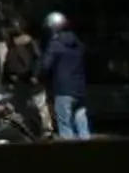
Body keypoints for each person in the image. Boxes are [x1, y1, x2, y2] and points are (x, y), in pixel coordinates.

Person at [38, 11, 91, 142]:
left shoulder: (55, 44)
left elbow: (45, 65)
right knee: (81, 120)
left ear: (52, 27)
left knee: (65, 124)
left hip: (63, 89)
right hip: (79, 88)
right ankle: (89, 150)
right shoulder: (78, 44)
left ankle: (69, 154)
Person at [0, 19, 49, 137]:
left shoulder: (17, 47)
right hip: (26, 81)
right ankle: (40, 131)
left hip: (24, 81)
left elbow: (11, 65)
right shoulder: (27, 44)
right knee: (32, 108)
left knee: (30, 108)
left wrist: (10, 78)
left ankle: (37, 132)